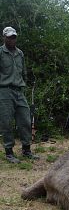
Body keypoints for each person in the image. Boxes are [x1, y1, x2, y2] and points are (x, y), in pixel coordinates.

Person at [0, 26, 39, 163]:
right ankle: (9, 152)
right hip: (4, 91)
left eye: (14, 37)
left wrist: (23, 84)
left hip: (19, 90)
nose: (12, 39)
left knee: (26, 120)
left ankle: (26, 150)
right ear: (4, 37)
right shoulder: (0, 52)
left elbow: (23, 72)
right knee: (6, 122)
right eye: (10, 37)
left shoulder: (20, 53)